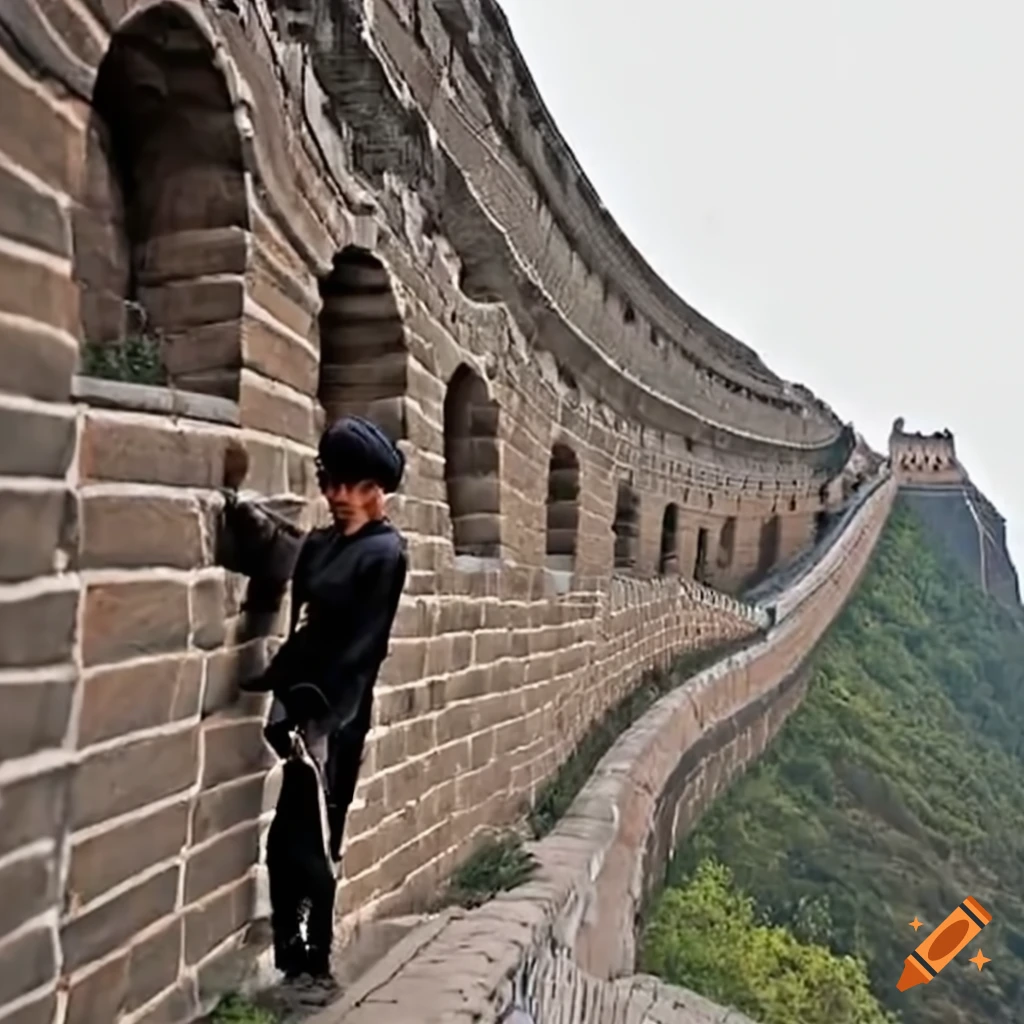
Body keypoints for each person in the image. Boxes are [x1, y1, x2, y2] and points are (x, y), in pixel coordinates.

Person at [240, 416, 408, 984]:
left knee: (317, 836)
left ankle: (316, 960)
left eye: (351, 485)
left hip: (338, 713)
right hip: (297, 706)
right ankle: (291, 951)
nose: (338, 496)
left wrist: (321, 721)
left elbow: (366, 648)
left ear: (377, 489)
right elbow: (298, 618)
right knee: (285, 839)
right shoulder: (320, 544)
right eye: (331, 483)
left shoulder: (385, 554)